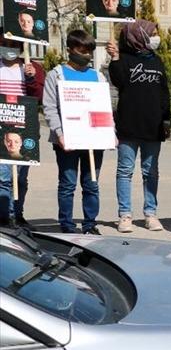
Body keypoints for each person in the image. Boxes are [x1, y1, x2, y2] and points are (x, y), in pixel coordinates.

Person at [41, 29, 107, 234]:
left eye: (89, 50)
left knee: (91, 184)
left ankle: (90, 224)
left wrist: (109, 132)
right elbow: (49, 107)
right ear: (70, 49)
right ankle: (67, 225)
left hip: (93, 141)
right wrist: (60, 133)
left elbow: (104, 108)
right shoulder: (56, 75)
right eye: (82, 49)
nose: (86, 54)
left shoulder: (98, 76)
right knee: (68, 184)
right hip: (66, 141)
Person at [108, 19, 170, 233]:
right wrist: (115, 59)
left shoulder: (157, 61)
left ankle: (150, 214)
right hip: (129, 125)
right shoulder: (124, 59)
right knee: (125, 170)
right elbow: (119, 81)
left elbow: (164, 93)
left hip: (153, 127)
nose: (156, 37)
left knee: (151, 171)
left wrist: (166, 119)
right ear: (139, 36)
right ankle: (125, 215)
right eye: (152, 33)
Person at [0, 36, 43, 226]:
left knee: (21, 179)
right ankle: (5, 217)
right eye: (5, 44)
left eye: (14, 45)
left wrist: (32, 78)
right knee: (3, 178)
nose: (9, 48)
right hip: (2, 130)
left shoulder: (31, 67)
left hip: (25, 129)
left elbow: (39, 97)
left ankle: (17, 213)